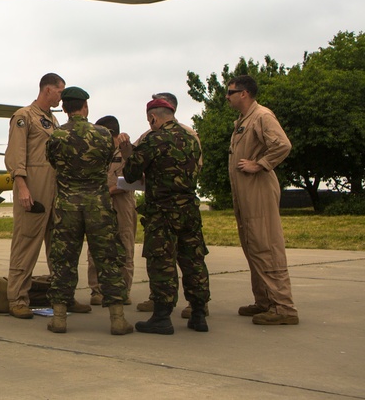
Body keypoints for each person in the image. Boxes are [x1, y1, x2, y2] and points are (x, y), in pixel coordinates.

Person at [45, 87, 132, 335]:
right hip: (98, 206)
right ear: (85, 106)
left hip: (66, 207)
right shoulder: (104, 134)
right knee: (108, 259)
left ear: (64, 108)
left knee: (63, 260)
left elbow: (53, 163)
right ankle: (117, 319)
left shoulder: (56, 136)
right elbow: (106, 163)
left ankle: (59, 318)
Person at [119, 97, 210, 334]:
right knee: (194, 261)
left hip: (162, 212)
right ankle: (199, 314)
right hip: (189, 210)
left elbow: (130, 174)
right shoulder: (192, 140)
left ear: (153, 118)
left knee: (162, 262)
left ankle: (162, 316)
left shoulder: (153, 139)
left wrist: (128, 153)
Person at [226, 75, 298, 325]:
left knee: (265, 243)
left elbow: (282, 145)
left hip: (258, 190)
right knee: (253, 244)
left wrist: (260, 164)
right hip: (246, 193)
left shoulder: (262, 116)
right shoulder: (244, 120)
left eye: (230, 92)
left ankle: (283, 307)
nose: (227, 96)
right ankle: (265, 300)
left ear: (243, 93)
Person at [4, 73, 67, 319]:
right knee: (26, 242)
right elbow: (15, 155)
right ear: (47, 89)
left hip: (54, 190)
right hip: (33, 187)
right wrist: (22, 186)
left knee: (58, 246)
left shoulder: (52, 121)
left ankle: (62, 297)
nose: (61, 97)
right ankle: (17, 299)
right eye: (60, 92)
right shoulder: (24, 117)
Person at [87, 115, 136, 307]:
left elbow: (131, 179)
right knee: (96, 247)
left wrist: (107, 191)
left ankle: (123, 291)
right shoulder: (97, 152)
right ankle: (97, 290)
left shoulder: (126, 151)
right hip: (99, 206)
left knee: (125, 246)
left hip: (122, 205)